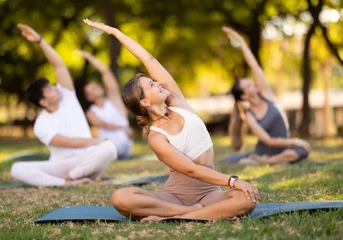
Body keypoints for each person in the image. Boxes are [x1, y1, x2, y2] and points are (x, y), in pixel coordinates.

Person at [83, 19, 258, 221]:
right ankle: (189, 214)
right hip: (175, 197)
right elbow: (191, 170)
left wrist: (116, 33)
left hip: (210, 193)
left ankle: (174, 217)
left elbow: (148, 59)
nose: (158, 83)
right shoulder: (156, 137)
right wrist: (233, 181)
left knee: (248, 199)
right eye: (151, 85)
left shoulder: (178, 103)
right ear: (145, 102)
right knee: (120, 197)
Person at [10, 24, 117, 187]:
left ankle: (73, 177)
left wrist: (40, 41)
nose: (55, 88)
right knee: (16, 169)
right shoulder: (41, 125)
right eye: (50, 90)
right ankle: (65, 182)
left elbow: (58, 65)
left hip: (87, 160)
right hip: (61, 166)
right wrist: (96, 141)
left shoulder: (67, 96)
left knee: (109, 147)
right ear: (43, 102)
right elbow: (69, 142)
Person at [222, 27, 310, 165]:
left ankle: (269, 161)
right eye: (248, 85)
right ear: (244, 96)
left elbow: (254, 65)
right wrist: (295, 140)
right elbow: (268, 140)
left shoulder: (267, 95)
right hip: (264, 151)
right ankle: (267, 160)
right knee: (233, 161)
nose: (253, 84)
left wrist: (241, 42)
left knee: (303, 151)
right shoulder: (250, 116)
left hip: (282, 150)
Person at [79, 50, 134, 159]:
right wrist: (122, 128)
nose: (98, 88)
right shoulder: (91, 112)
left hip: (124, 147)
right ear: (89, 97)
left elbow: (106, 73)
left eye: (97, 86)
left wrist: (89, 57)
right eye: (93, 89)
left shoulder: (113, 100)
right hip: (107, 149)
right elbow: (102, 124)